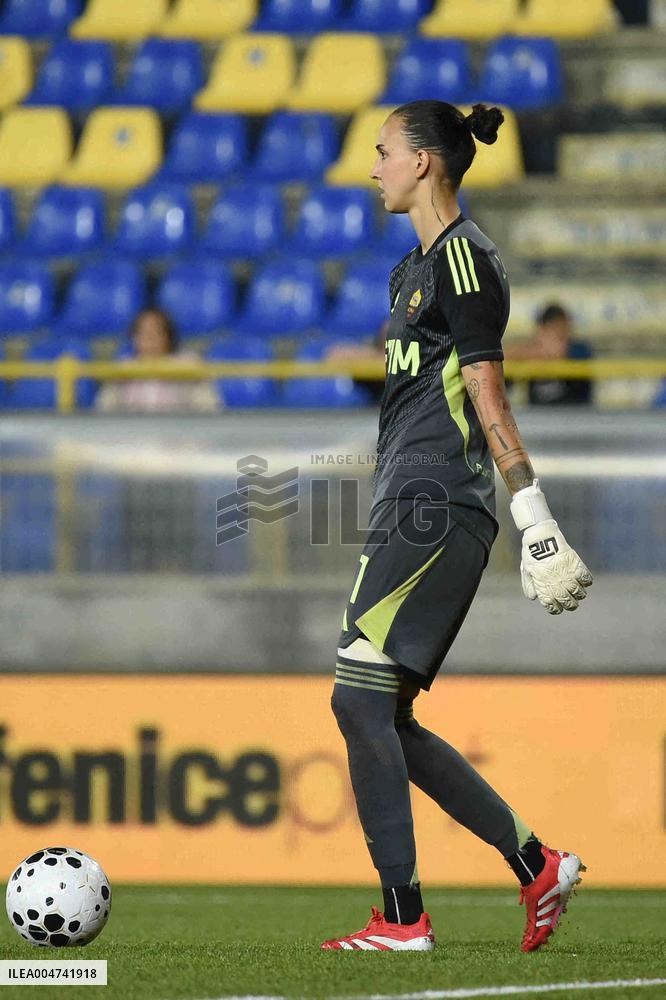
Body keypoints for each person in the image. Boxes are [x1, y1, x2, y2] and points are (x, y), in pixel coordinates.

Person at [322, 102, 593, 954]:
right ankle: (537, 864)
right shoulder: (412, 271)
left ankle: (403, 921)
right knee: (383, 713)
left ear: (427, 163)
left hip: (438, 503)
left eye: (383, 153)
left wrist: (533, 512)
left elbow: (487, 393)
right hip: (409, 499)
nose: (373, 168)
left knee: (353, 700)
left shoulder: (467, 265)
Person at [95, 308, 219, 413]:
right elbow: (104, 408)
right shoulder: (124, 367)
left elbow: (208, 408)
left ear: (168, 336)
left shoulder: (189, 365)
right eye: (142, 333)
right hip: (132, 437)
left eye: (155, 332)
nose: (148, 338)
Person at [503, 303, 593, 406]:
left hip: (576, 417)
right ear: (541, 331)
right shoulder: (531, 357)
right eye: (552, 333)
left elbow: (559, 353)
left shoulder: (579, 350)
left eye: (561, 334)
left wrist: (542, 353)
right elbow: (502, 359)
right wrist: (535, 353)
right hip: (539, 418)